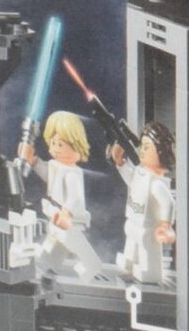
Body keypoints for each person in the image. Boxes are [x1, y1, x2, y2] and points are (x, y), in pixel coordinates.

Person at [19, 110, 103, 280]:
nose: (56, 148)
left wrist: (66, 213)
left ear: (76, 145)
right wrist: (33, 160)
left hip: (70, 219)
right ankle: (44, 266)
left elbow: (75, 197)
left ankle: (92, 266)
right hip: (56, 215)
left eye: (61, 144)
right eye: (53, 143)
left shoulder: (72, 173)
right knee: (54, 245)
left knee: (75, 244)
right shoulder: (56, 166)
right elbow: (47, 174)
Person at [110, 121, 176, 287]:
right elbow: (130, 180)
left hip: (148, 227)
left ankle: (149, 272)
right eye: (142, 146)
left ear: (161, 152)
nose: (142, 150)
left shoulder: (157, 184)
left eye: (147, 147)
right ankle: (129, 264)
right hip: (133, 220)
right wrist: (119, 162)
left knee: (147, 249)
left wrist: (165, 224)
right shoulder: (141, 174)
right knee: (131, 248)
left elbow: (168, 203)